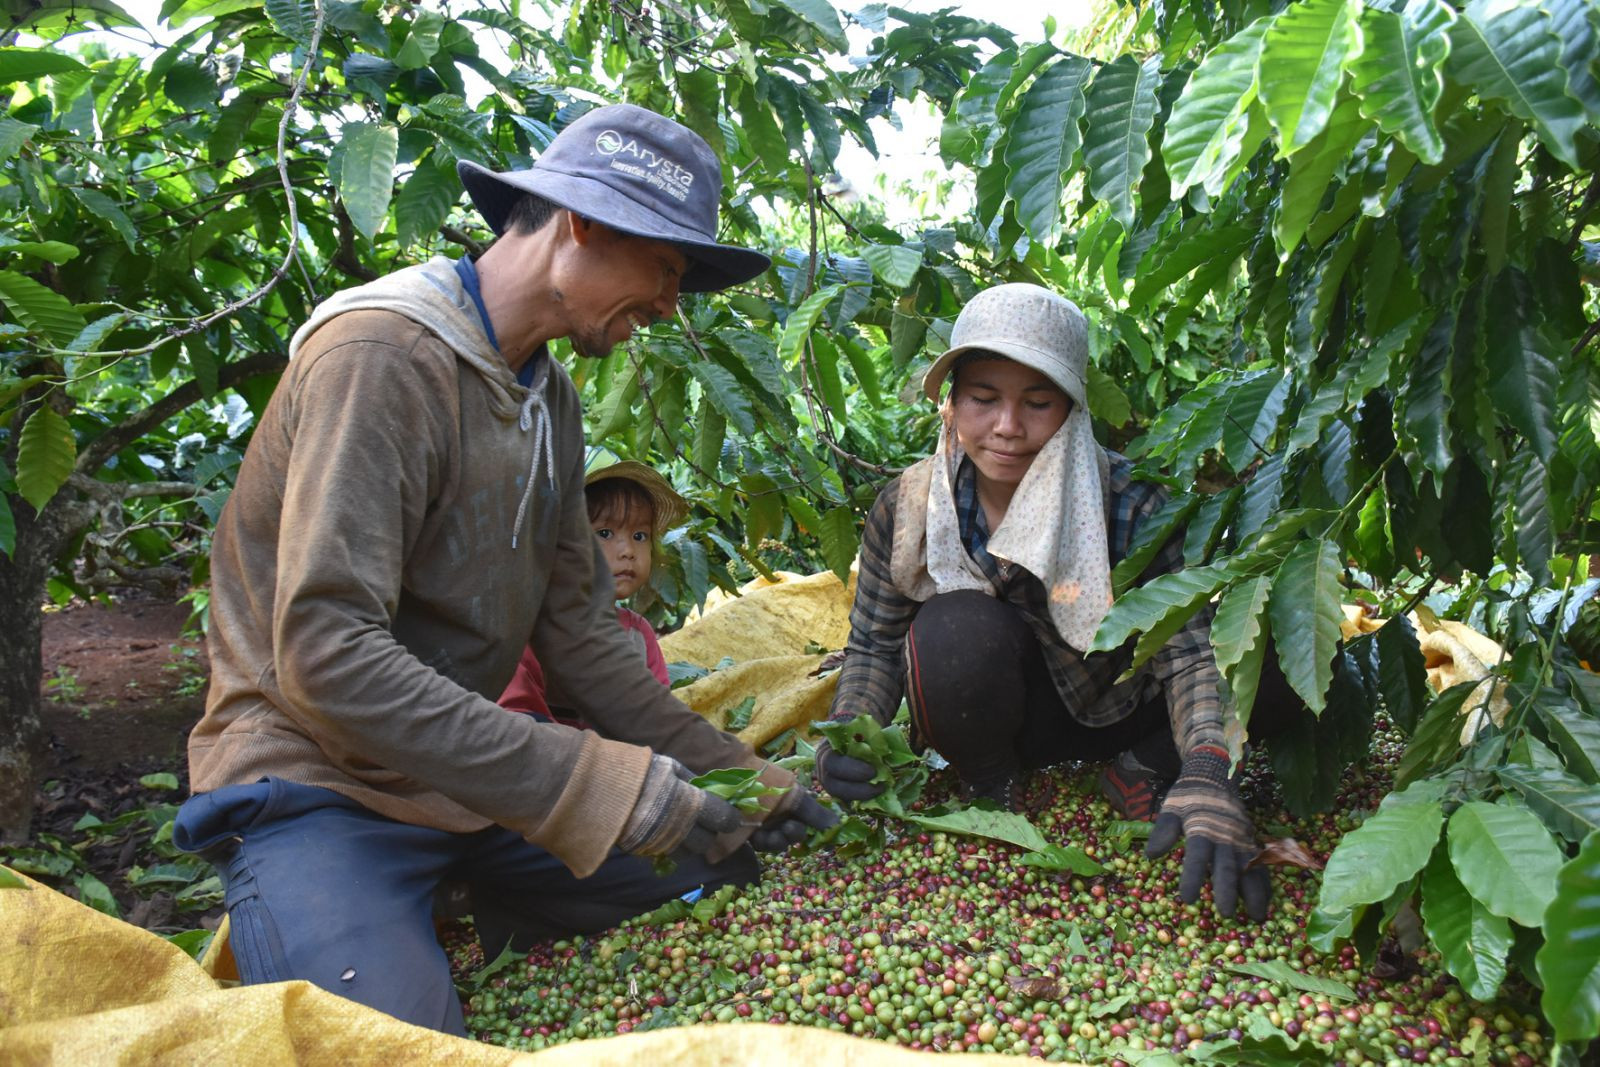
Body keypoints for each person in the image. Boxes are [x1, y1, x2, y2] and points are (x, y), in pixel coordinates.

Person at [172, 103, 834, 1034]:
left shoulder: (549, 399)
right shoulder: (382, 357)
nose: (668, 303)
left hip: (463, 780)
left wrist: (741, 775)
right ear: (584, 225)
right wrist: (594, 784)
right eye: (666, 269)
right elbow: (326, 657)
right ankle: (384, 910)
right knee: (394, 1044)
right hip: (314, 779)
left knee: (718, 858)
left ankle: (490, 900)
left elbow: (583, 642)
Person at [811, 283, 1269, 922]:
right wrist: (847, 737)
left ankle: (1141, 770)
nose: (1007, 427)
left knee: (1262, 651)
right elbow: (875, 645)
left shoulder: (1130, 504)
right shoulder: (913, 505)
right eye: (983, 399)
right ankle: (992, 785)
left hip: (1125, 701)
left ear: (1073, 412)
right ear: (950, 405)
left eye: (1037, 402)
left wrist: (1207, 768)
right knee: (952, 630)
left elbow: (1191, 655)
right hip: (1013, 714)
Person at [498, 448, 685, 725]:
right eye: (605, 533)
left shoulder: (638, 637)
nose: (628, 551)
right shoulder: (527, 632)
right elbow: (517, 721)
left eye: (639, 535)